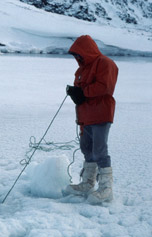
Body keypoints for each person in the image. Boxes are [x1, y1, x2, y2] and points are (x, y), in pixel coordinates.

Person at [65, 35, 118, 204]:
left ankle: (106, 188)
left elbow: (105, 87)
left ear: (86, 51)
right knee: (86, 147)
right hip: (86, 115)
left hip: (101, 113)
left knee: (100, 150)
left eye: (79, 54)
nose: (77, 58)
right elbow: (83, 93)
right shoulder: (82, 70)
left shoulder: (105, 63)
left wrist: (82, 93)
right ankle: (87, 183)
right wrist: (76, 95)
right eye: (76, 55)